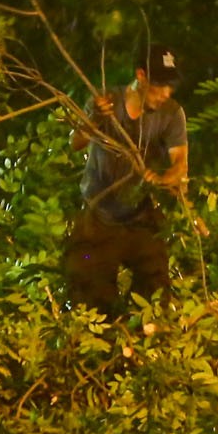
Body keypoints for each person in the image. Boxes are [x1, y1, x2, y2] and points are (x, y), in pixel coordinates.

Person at [62, 42, 196, 315]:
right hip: (99, 218)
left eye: (171, 85)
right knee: (90, 302)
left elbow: (180, 166)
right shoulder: (107, 101)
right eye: (160, 84)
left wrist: (161, 178)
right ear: (141, 76)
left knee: (155, 295)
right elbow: (75, 142)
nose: (166, 93)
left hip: (141, 217)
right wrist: (96, 117)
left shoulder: (172, 113)